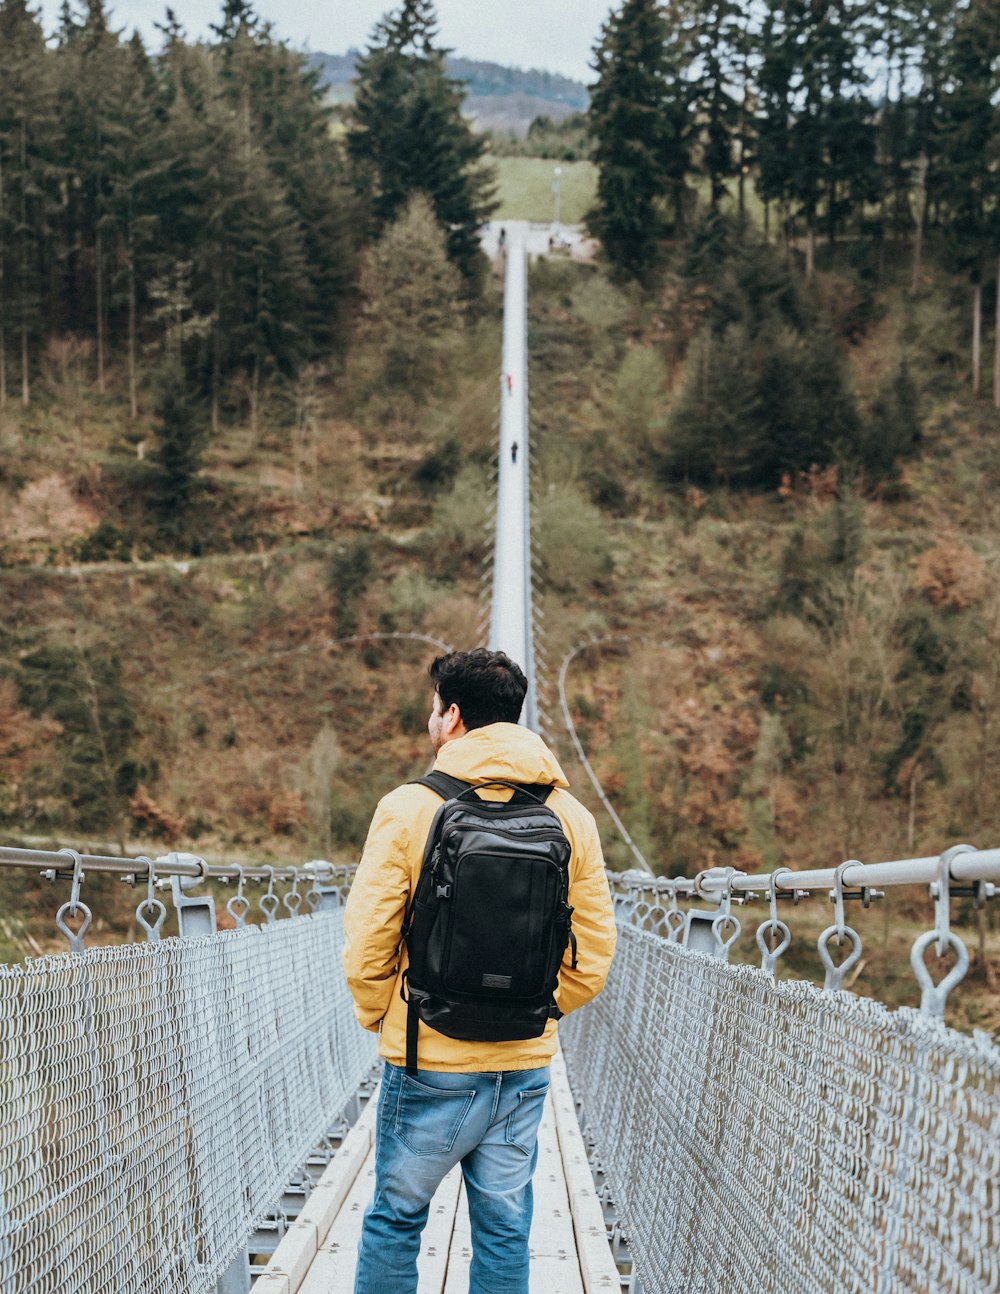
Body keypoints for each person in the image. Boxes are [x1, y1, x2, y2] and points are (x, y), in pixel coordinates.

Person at [343, 648, 617, 1294]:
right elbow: (593, 958)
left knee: (395, 1220)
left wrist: (384, 1014)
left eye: (433, 707)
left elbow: (367, 944)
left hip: (426, 1058)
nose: (428, 717)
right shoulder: (572, 819)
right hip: (522, 1064)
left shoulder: (409, 808)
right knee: (503, 1231)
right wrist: (534, 1011)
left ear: (454, 716)